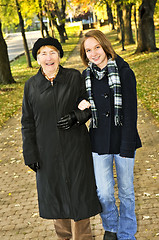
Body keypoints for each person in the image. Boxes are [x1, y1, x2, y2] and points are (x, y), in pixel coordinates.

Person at [21, 37, 101, 240]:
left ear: (59, 55)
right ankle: (63, 237)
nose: (49, 58)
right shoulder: (31, 86)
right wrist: (30, 153)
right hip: (47, 153)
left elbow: (88, 107)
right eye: (43, 54)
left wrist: (76, 116)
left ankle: (83, 238)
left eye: (53, 52)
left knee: (80, 197)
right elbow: (27, 123)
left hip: (75, 148)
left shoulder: (74, 77)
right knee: (56, 199)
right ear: (37, 58)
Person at [79, 30, 142, 240]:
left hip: (123, 141)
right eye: (88, 50)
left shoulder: (124, 72)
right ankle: (111, 227)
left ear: (105, 46)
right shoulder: (85, 76)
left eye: (97, 47)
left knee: (126, 193)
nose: (94, 53)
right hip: (98, 142)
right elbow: (83, 107)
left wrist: (128, 145)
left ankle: (126, 234)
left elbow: (131, 112)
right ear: (84, 54)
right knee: (104, 193)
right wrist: (80, 106)